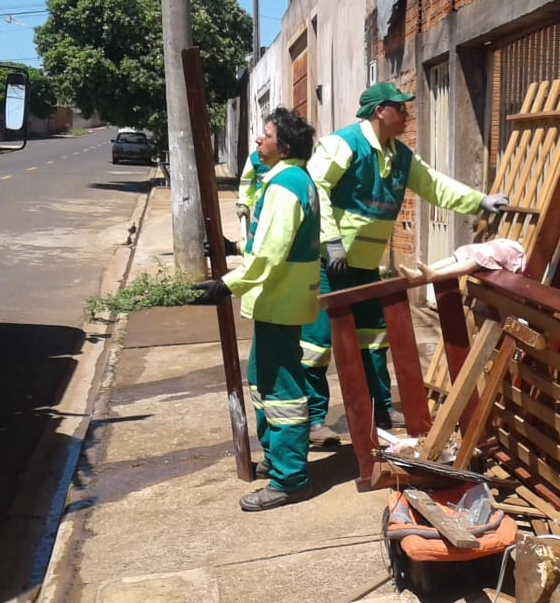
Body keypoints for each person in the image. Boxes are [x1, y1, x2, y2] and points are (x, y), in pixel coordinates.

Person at [302, 82, 510, 436]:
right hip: (328, 263)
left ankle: (380, 411)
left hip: (365, 266)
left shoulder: (400, 155)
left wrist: (479, 201)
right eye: (400, 108)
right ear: (379, 111)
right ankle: (314, 420)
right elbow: (314, 186)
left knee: (373, 340)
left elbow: (434, 185)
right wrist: (330, 239)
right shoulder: (343, 144)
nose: (406, 115)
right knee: (316, 345)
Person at [190, 108, 321, 512]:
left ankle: (289, 479)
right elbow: (266, 243)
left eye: (266, 135)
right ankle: (276, 459)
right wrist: (233, 250)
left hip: (279, 302)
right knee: (262, 381)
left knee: (282, 392)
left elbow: (270, 254)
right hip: (281, 301)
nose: (259, 141)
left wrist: (227, 284)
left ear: (284, 146)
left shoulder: (285, 185)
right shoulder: (292, 180)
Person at [395, 237, 526, 285]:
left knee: (479, 258)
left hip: (507, 256)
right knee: (465, 252)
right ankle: (418, 275)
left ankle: (436, 274)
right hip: (500, 249)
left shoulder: (515, 252)